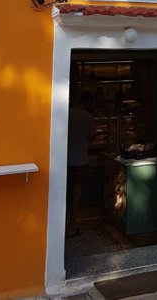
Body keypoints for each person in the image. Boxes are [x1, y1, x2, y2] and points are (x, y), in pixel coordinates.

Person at [66, 92, 95, 238]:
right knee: (76, 191)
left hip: (64, 158)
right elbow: (91, 138)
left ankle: (59, 226)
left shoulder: (67, 113)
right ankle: (72, 226)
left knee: (63, 190)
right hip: (81, 159)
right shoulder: (89, 118)